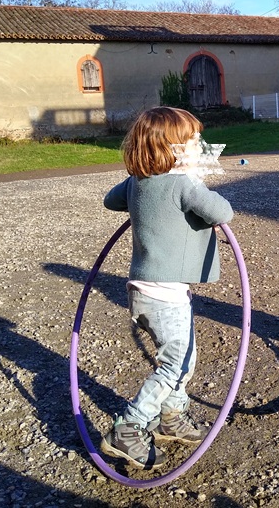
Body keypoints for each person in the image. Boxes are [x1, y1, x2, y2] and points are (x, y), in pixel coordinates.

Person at [100, 106, 233, 469]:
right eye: (192, 140)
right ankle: (130, 426)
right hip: (166, 294)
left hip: (143, 291)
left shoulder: (136, 183)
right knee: (174, 364)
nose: (199, 146)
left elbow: (111, 200)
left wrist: (140, 185)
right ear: (171, 147)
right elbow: (223, 212)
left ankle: (171, 417)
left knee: (183, 359)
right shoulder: (183, 183)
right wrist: (189, 177)